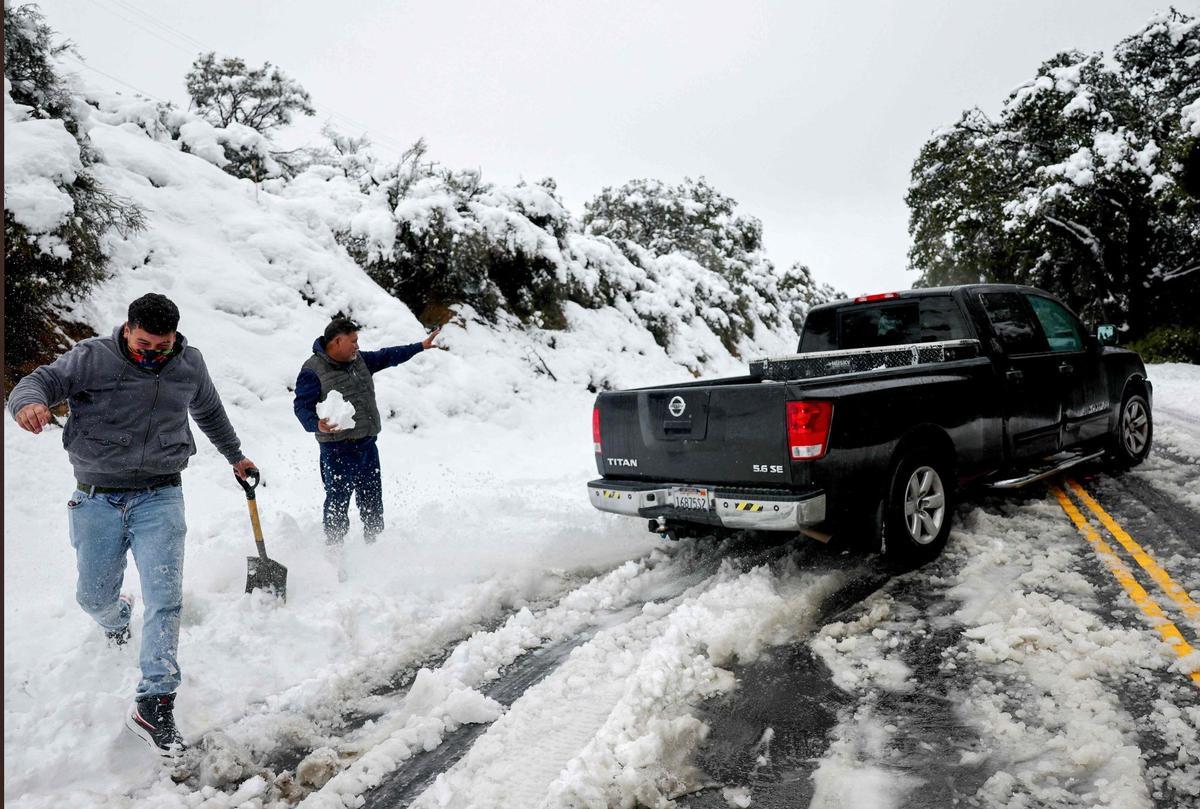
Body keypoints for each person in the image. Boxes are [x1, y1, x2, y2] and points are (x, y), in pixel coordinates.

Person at [8, 293, 256, 759]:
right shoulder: (92, 358)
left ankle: (155, 700)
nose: (151, 354)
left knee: (165, 596)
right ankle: (116, 618)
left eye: (161, 347)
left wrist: (235, 456)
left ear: (175, 338)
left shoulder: (187, 364)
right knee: (93, 596)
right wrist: (28, 405)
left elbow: (209, 412)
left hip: (161, 495)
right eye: (143, 344)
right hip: (96, 497)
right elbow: (37, 383)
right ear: (126, 328)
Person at [293, 317, 440, 545]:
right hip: (337, 450)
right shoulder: (313, 370)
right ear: (337, 341)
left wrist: (420, 346)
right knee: (337, 503)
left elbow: (388, 356)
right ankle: (334, 553)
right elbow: (301, 406)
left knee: (372, 503)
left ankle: (374, 548)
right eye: (353, 341)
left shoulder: (359, 360)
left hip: (367, 446)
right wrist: (316, 423)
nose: (357, 346)